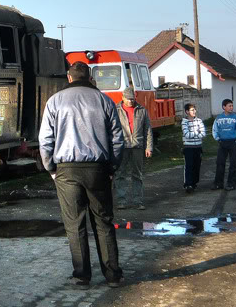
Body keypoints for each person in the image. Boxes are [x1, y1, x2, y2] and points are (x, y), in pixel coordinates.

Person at [39, 61, 125, 289]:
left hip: (67, 170)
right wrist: (112, 168)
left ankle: (81, 276)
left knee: (75, 224)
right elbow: (117, 137)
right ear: (89, 77)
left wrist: (51, 168)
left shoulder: (54, 101)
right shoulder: (104, 101)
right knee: (103, 222)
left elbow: (45, 139)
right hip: (98, 169)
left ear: (69, 77)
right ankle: (113, 275)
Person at [114, 86, 153, 209]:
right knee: (120, 174)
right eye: (128, 99)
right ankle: (121, 201)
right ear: (122, 97)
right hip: (122, 147)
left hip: (138, 146)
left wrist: (149, 147)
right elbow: (111, 130)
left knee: (137, 175)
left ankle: (138, 201)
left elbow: (147, 129)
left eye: (132, 99)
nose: (130, 101)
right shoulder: (116, 110)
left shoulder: (142, 110)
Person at [211, 99, 236, 190]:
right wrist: (218, 139)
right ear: (224, 107)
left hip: (233, 143)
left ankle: (231, 184)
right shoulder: (218, 118)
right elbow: (214, 130)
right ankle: (218, 183)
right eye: (229, 106)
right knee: (220, 163)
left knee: (233, 164)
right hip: (222, 143)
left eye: (232, 106)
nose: (231, 107)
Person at [181, 103, 205, 192]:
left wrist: (195, 133)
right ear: (187, 112)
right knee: (189, 166)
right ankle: (188, 184)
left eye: (194, 109)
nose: (194, 111)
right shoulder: (184, 122)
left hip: (198, 147)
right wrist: (197, 132)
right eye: (192, 110)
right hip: (188, 147)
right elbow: (186, 134)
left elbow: (203, 133)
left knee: (197, 165)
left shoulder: (199, 121)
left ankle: (194, 183)